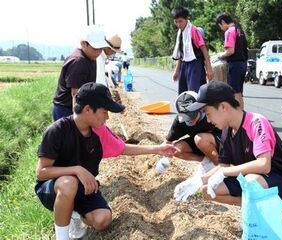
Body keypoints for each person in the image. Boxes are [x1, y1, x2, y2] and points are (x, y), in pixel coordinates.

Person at [35, 82, 178, 240]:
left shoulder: (98, 132)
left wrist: (158, 149)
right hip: (54, 189)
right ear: (88, 109)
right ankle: (61, 237)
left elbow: (123, 149)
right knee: (69, 183)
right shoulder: (57, 131)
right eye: (104, 112)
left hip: (85, 188)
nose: (107, 117)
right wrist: (77, 169)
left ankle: (74, 214)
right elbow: (42, 172)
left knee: (103, 220)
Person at [185, 80, 282, 206]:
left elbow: (264, 165)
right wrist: (197, 181)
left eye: (208, 113)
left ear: (223, 107)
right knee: (207, 190)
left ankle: (258, 209)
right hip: (251, 177)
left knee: (252, 181)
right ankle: (250, 207)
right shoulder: (226, 130)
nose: (208, 120)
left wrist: (224, 173)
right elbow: (223, 166)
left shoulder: (256, 122)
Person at [52, 26, 109, 121]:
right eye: (95, 48)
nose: (98, 52)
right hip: (67, 108)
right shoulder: (78, 61)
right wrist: (78, 120)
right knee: (69, 135)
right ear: (83, 44)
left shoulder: (91, 56)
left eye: (100, 49)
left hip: (78, 106)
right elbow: (76, 94)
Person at [157, 91, 221, 174]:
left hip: (220, 143)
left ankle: (220, 168)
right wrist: (163, 159)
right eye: (185, 117)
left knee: (200, 139)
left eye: (192, 116)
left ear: (200, 109)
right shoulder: (180, 122)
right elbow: (167, 142)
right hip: (201, 144)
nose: (189, 120)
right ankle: (207, 162)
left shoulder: (209, 114)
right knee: (176, 149)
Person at [171, 6, 214, 94]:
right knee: (183, 92)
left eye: (180, 21)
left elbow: (204, 50)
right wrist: (176, 70)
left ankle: (197, 108)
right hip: (184, 64)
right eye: (176, 22)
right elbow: (182, 54)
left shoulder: (194, 31)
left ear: (187, 19)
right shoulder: (180, 33)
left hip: (195, 65)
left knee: (194, 92)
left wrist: (209, 69)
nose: (178, 24)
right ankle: (187, 108)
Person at [216, 13, 248, 110]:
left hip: (235, 64)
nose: (221, 28)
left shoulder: (229, 32)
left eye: (220, 26)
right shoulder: (239, 30)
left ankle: (239, 116)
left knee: (235, 92)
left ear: (222, 22)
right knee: (239, 92)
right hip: (243, 64)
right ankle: (241, 113)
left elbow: (230, 51)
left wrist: (220, 55)